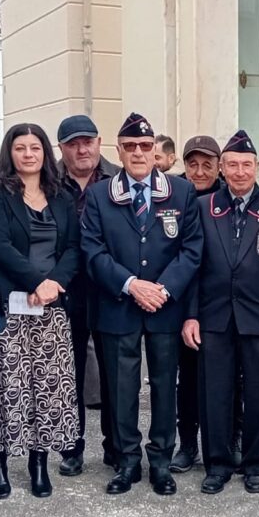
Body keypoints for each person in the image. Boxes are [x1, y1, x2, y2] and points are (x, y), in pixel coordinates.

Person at [82, 113, 203, 496]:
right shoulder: (100, 194)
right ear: (117, 150)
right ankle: (127, 461)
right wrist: (132, 285)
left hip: (164, 308)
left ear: (156, 151)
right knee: (121, 388)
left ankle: (161, 462)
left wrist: (163, 289)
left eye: (145, 146)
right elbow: (92, 250)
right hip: (120, 305)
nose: (138, 152)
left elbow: (192, 248)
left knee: (165, 386)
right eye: (130, 146)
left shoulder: (181, 192)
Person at [0, 124, 81, 499]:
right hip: (10, 306)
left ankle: (38, 463)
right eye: (20, 148)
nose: (29, 154)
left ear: (45, 153)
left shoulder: (62, 195)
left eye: (35, 147)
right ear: (10, 152)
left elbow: (74, 249)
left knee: (46, 391)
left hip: (52, 307)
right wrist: (36, 282)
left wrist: (53, 285)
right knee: (2, 387)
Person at [183, 130, 259, 495]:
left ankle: (255, 464)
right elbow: (192, 267)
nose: (239, 171)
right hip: (214, 316)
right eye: (231, 165)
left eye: (246, 164)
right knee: (214, 393)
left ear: (256, 167)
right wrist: (190, 315)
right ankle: (217, 464)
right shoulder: (203, 208)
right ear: (222, 168)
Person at [55, 115, 121, 477]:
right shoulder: (47, 181)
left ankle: (115, 445)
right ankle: (72, 446)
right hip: (67, 289)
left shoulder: (117, 178)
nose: (82, 149)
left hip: (110, 287)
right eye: (72, 143)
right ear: (61, 148)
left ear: (99, 142)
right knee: (70, 371)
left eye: (88, 141)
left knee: (114, 371)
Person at [171, 134, 223, 473]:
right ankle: (187, 444)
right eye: (193, 164)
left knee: (228, 380)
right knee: (187, 380)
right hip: (183, 300)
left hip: (221, 302)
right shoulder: (173, 192)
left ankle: (226, 442)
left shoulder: (229, 193)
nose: (200, 171)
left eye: (207, 164)